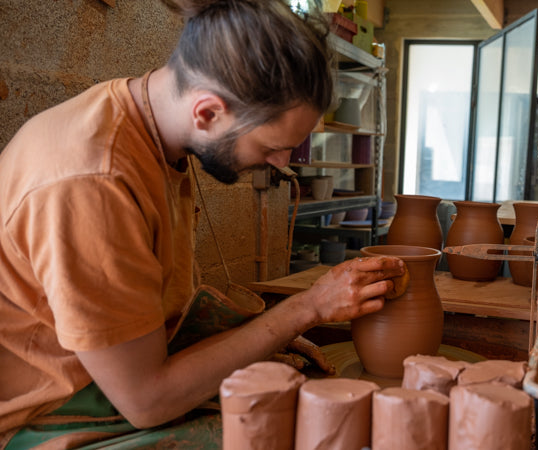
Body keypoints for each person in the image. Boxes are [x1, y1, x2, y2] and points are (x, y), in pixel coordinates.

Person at [0, 0, 403, 447]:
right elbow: (146, 401)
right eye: (273, 145)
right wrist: (304, 310)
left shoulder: (153, 128)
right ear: (207, 113)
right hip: (50, 414)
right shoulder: (92, 183)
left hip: (115, 377)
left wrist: (259, 339)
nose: (283, 163)